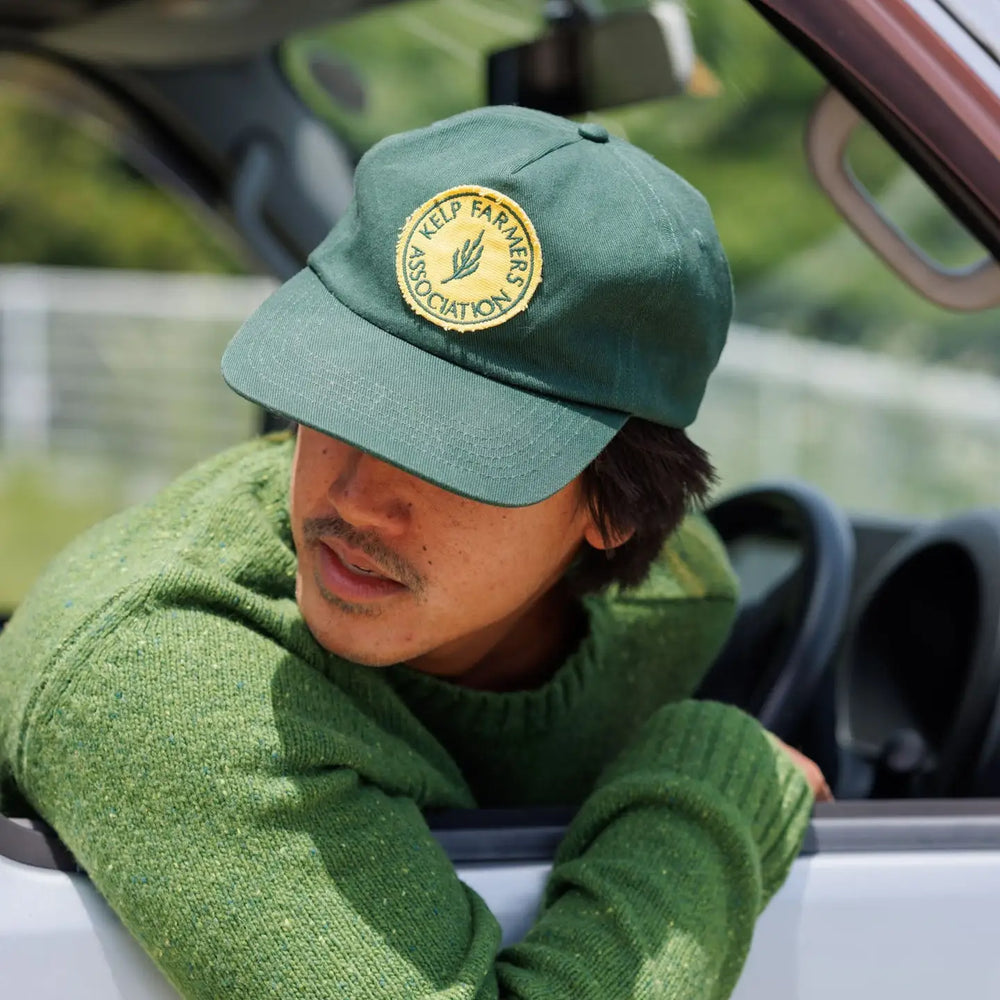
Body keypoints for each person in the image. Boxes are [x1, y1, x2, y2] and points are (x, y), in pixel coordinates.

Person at [0, 106, 819, 999]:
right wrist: (710, 791)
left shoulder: (679, 603)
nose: (354, 500)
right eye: (343, 395)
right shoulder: (160, 669)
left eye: (456, 453)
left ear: (615, 509)